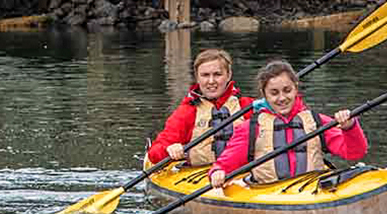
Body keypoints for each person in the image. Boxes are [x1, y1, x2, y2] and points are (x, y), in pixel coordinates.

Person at [208, 59, 367, 188]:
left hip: (310, 190)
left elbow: (355, 153)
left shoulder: (317, 121)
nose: (282, 98)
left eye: (287, 90)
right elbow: (226, 162)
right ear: (264, 95)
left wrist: (349, 127)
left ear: (296, 89)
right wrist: (217, 172)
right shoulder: (251, 127)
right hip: (270, 192)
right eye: (274, 93)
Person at [147, 48, 252, 168]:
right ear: (197, 78)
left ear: (228, 75)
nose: (211, 81)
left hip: (241, 172)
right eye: (205, 75)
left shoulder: (247, 106)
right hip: (200, 173)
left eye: (217, 74)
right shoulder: (187, 112)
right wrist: (169, 149)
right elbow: (154, 153)